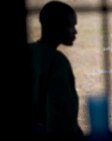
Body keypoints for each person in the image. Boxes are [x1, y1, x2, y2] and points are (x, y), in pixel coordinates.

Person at [29, 1, 85, 140]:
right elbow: (61, 118)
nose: (75, 31)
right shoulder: (57, 62)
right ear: (58, 28)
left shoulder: (31, 51)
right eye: (71, 26)